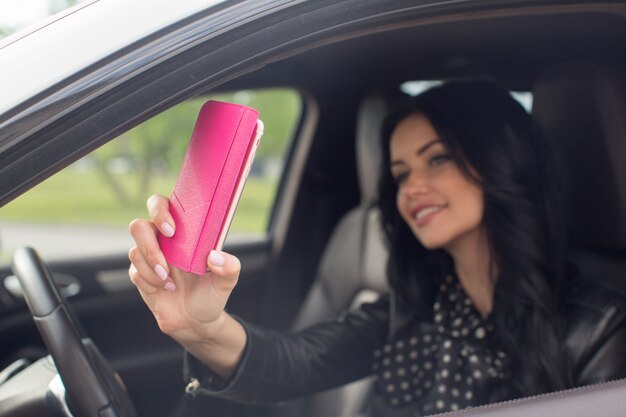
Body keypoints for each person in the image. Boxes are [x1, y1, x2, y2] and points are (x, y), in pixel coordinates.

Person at [128, 80, 626, 416]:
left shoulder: (598, 328)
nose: (411, 190)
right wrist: (201, 327)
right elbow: (300, 360)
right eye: (401, 174)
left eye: (438, 160)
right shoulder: (415, 305)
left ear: (501, 164)